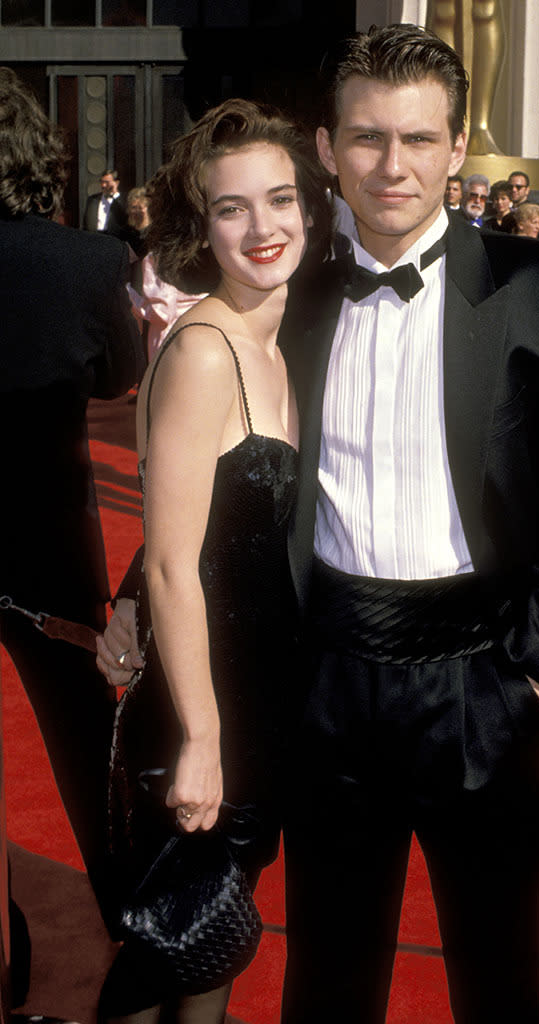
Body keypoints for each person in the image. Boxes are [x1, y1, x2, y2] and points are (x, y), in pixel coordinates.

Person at [100, 24, 539, 1024]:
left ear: (457, 145)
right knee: (330, 984)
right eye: (368, 138)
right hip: (327, 685)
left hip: (485, 681)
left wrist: (533, 680)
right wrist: (138, 589)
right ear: (326, 145)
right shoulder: (286, 292)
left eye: (419, 140)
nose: (394, 166)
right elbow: (225, 482)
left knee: (496, 979)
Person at [97, 97, 331, 1023]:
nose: (263, 226)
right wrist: (200, 741)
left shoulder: (284, 340)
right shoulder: (202, 352)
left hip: (263, 705)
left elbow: (197, 524)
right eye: (233, 207)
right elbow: (172, 566)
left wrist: (125, 603)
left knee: (207, 942)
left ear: (310, 209)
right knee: (169, 956)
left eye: (280, 199)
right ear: (204, 225)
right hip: (206, 712)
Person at [0, 66, 143, 1001]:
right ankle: (132, 919)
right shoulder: (86, 264)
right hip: (45, 538)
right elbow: (116, 380)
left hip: (45, 541)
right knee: (88, 743)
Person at [83, 167, 129, 238]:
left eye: (107, 182)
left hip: (113, 238)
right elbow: (85, 222)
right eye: (102, 181)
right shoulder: (92, 199)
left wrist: (114, 194)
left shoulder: (124, 201)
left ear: (116, 183)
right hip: (94, 237)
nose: (103, 185)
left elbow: (125, 219)